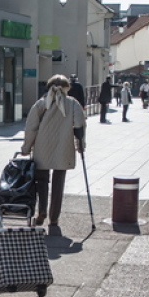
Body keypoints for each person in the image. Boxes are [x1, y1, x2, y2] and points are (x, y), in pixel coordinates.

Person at [20, 74, 86, 232]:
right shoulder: (72, 104)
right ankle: (54, 218)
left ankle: (42, 210)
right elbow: (79, 127)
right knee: (58, 183)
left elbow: (31, 129)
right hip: (63, 148)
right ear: (67, 88)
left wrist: (26, 147)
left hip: (42, 148)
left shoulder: (41, 104)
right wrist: (81, 146)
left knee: (41, 182)